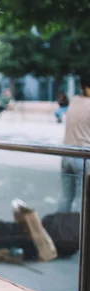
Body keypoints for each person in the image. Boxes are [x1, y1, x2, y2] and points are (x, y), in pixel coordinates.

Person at [57, 74, 90, 213]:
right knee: (81, 201)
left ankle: (60, 230)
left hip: (67, 154)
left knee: (65, 198)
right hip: (83, 156)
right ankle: (75, 234)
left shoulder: (75, 100)